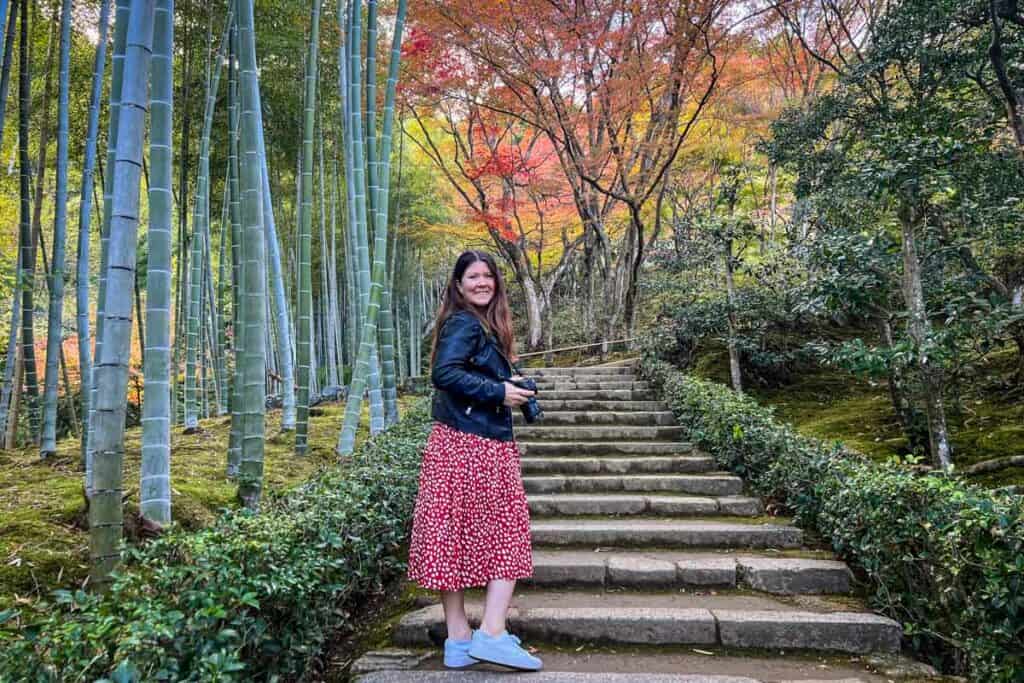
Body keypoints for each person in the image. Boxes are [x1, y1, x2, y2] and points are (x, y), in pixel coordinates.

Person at [406, 250, 542, 672]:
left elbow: (463, 373)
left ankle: (459, 638)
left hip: (456, 442)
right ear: (459, 285)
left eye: (488, 276)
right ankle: (493, 633)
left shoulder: (476, 325)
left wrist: (507, 383)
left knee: (451, 535)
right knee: (508, 532)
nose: (482, 282)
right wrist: (499, 392)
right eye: (473, 276)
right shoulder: (466, 322)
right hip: (476, 445)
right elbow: (444, 375)